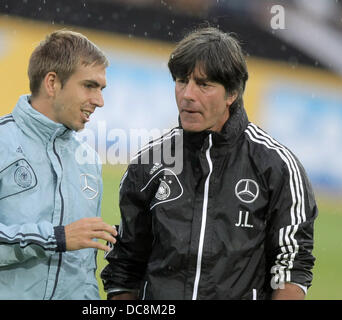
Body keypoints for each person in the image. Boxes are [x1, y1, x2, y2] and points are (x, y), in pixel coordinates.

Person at [101, 27, 317, 300]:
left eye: (204, 85)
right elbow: (125, 266)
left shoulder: (277, 167)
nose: (188, 94)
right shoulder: (149, 164)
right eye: (181, 81)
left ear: (232, 94)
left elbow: (291, 267)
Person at [0, 30, 117, 300]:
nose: (99, 101)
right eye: (89, 86)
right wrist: (55, 237)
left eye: (101, 89)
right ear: (52, 83)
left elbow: (83, 270)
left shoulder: (89, 161)